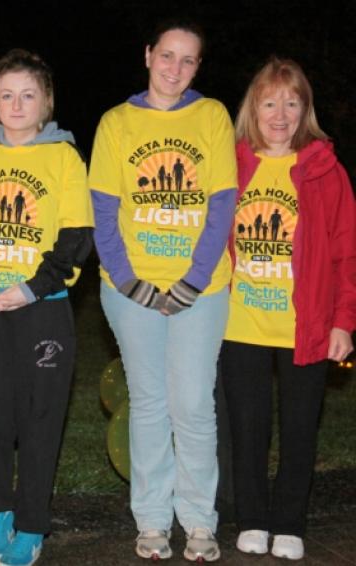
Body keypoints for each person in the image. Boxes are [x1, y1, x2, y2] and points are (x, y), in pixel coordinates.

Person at [87, 20, 237, 562]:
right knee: (149, 403)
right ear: (148, 54)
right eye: (167, 56)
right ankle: (151, 520)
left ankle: (199, 520)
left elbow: (222, 203)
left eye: (188, 60)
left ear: (198, 67)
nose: (175, 69)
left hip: (202, 289)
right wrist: (131, 281)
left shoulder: (212, 115)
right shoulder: (116, 121)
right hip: (131, 290)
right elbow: (103, 210)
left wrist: (193, 280)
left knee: (193, 405)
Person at [0, 49, 93, 566]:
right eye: (6, 94)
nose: (16, 104)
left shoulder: (63, 157)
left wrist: (33, 287)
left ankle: (32, 523)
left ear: (46, 103)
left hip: (41, 307)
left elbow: (76, 237)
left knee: (40, 416)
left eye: (28, 95)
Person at [221, 57, 356, 561]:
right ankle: (253, 519)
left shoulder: (325, 169)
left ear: (305, 110)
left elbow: (347, 252)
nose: (280, 114)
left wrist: (344, 321)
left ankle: (290, 522)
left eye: (291, 103)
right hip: (240, 322)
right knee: (247, 427)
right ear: (253, 108)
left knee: (300, 429)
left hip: (307, 324)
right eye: (269, 102)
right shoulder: (232, 163)